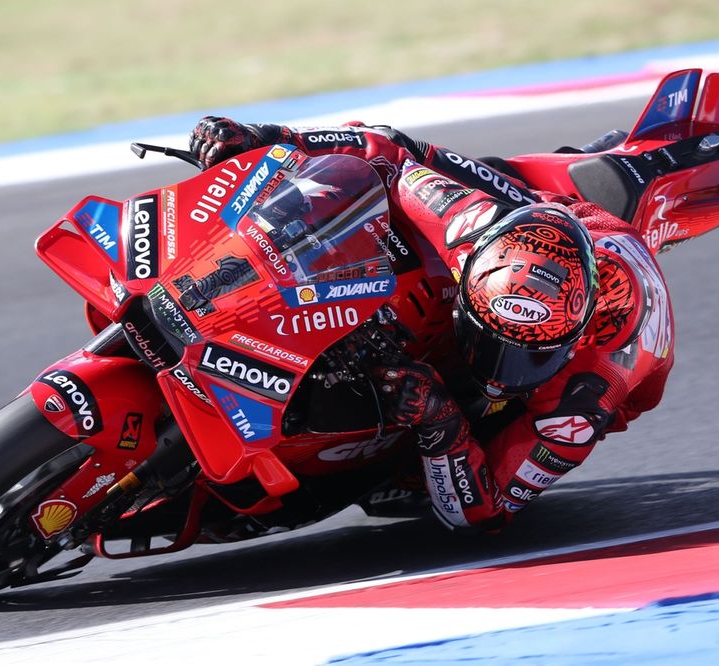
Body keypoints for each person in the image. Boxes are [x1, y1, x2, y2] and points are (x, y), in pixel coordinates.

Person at [188, 116, 674, 533]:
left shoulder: (591, 390)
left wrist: (441, 424)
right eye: (492, 341)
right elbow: (381, 147)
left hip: (599, 359)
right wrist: (264, 135)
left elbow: (483, 512)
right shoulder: (469, 225)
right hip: (543, 219)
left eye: (530, 354)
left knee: (412, 484)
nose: (500, 371)